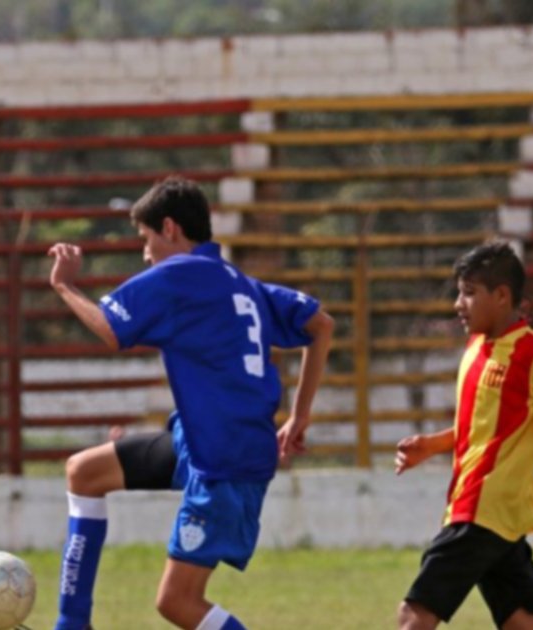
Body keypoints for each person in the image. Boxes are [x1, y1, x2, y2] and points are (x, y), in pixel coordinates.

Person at [47, 176, 335, 630]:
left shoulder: (177, 274)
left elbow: (109, 328)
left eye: (145, 240)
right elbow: (321, 324)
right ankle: (71, 624)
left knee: (177, 603)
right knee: (83, 472)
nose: (145, 254)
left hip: (221, 460)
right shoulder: (240, 283)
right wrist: (299, 415)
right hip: (202, 441)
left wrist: (65, 287)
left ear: (169, 227)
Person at [394, 242, 533, 630]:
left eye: (469, 293)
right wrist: (432, 445)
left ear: (502, 296)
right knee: (523, 624)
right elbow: (483, 425)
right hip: (492, 513)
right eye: (459, 292)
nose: (458, 304)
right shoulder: (476, 347)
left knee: (414, 616)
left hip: (481, 509)